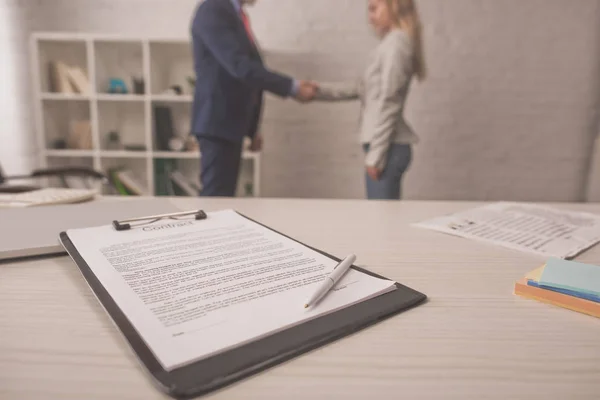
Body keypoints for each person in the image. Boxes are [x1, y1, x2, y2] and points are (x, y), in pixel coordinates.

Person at [191, 0, 317, 197]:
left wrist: (252, 128)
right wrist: (292, 87)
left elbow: (246, 75)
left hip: (229, 125)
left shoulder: (235, 14)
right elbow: (240, 67)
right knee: (216, 198)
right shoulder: (213, 9)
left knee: (223, 197)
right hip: (217, 123)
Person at [313, 0, 426, 200]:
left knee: (381, 219)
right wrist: (317, 90)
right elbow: (362, 89)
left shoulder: (397, 43)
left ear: (395, 7)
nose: (370, 17)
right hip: (384, 147)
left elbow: (390, 100)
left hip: (387, 148)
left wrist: (376, 155)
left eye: (374, 8)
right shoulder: (391, 43)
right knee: (382, 217)